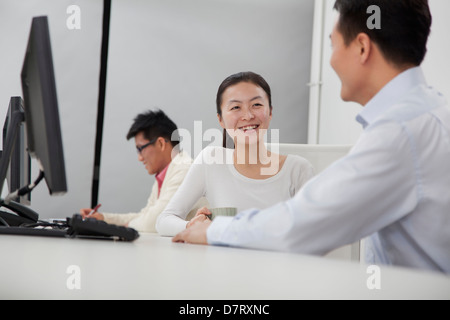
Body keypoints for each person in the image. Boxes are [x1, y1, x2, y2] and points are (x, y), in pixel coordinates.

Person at [173, 0, 450, 274]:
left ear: (362, 48)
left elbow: (302, 224)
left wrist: (215, 230)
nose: (330, 60)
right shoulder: (428, 115)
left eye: (333, 45)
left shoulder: (400, 133)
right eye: (235, 107)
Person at [155, 71, 314, 236]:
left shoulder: (298, 169)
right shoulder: (211, 161)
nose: (248, 115)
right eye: (236, 107)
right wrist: (195, 227)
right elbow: (164, 221)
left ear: (270, 111)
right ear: (221, 119)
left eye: (257, 105)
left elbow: (313, 231)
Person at [80, 109, 206, 233]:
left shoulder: (184, 169)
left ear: (161, 144)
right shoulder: (166, 173)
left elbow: (154, 221)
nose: (140, 158)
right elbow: (145, 215)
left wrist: (126, 226)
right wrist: (104, 218)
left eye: (140, 149)